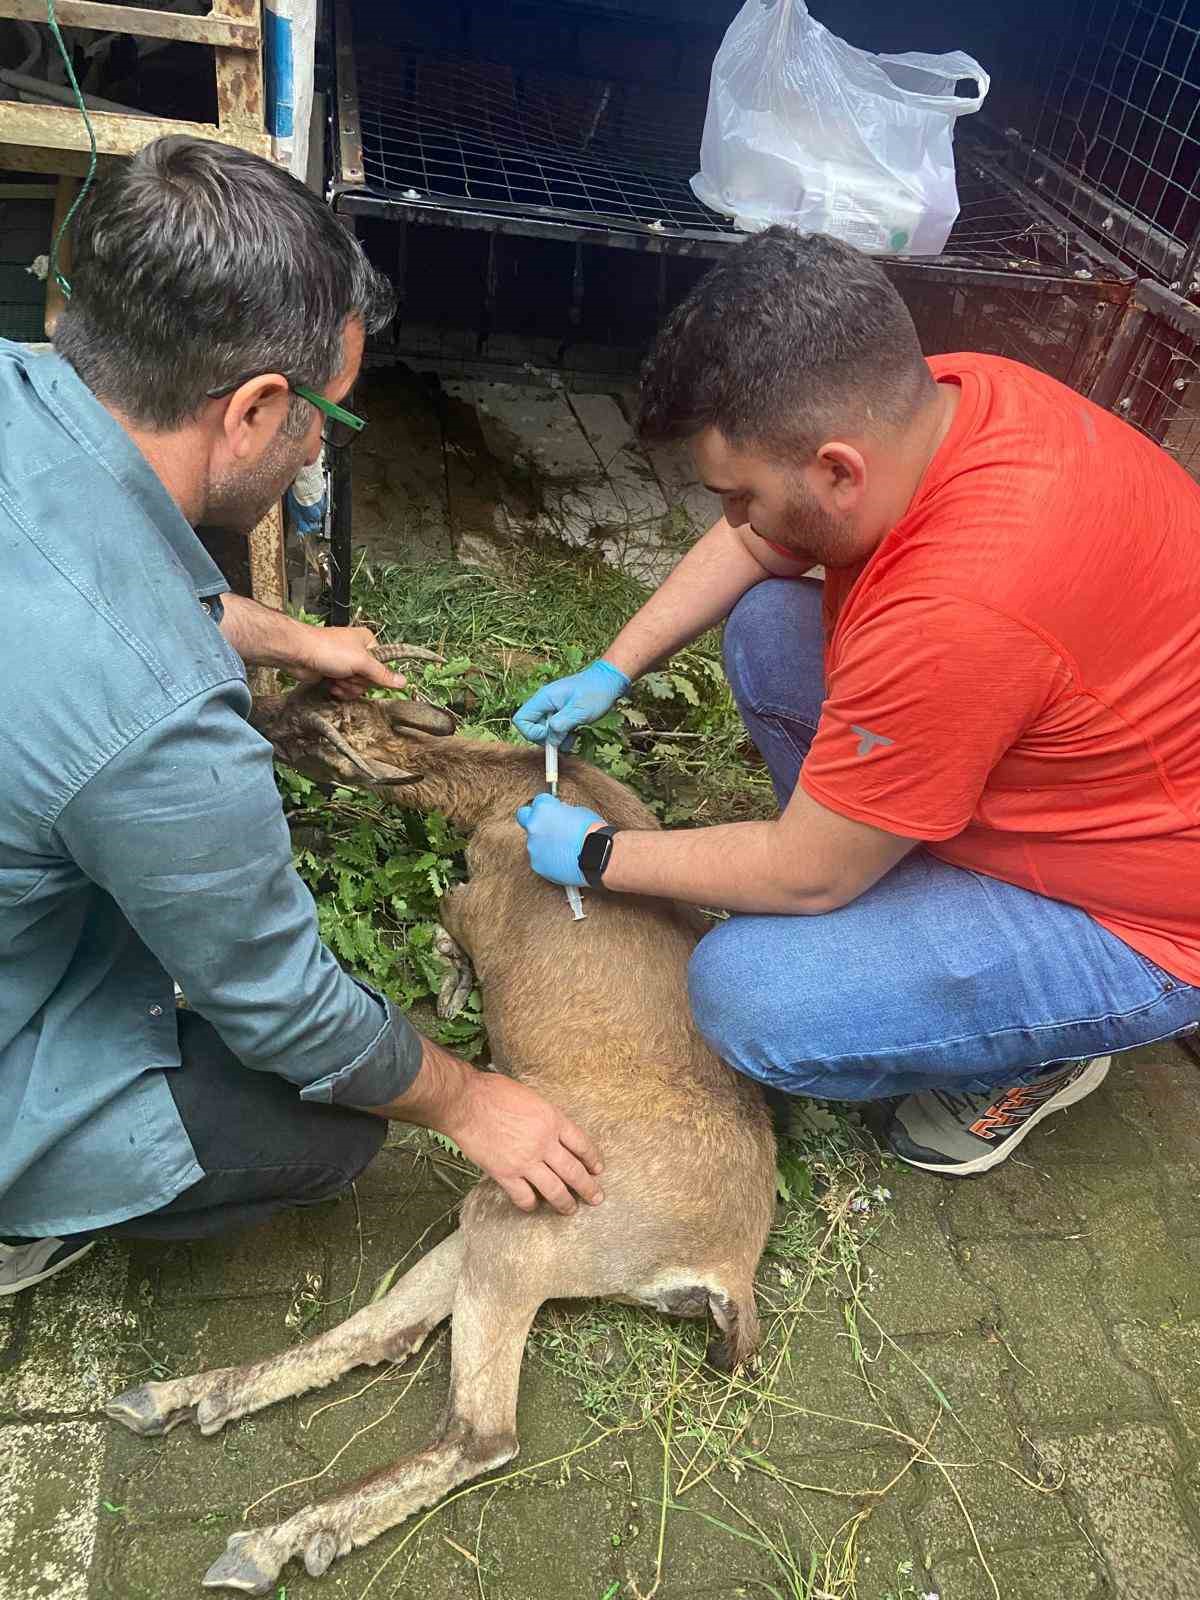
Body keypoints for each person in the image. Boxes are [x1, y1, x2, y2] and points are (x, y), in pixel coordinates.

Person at [0, 137, 602, 1299]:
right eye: (328, 415)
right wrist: (473, 1098)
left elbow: (83, 574)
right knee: (328, 1131)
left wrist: (290, 636)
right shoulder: (165, 721)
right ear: (257, 408)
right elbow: (285, 1008)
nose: (320, 440)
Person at [514, 227, 1200, 1179]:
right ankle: (892, 847)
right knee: (766, 626)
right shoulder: (946, 398)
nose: (733, 521)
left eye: (739, 494)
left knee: (751, 996)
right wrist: (613, 666)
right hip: (1057, 758)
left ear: (838, 469)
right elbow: (765, 548)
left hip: (1139, 910)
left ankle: (1046, 1051)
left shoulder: (958, 608)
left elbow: (808, 878)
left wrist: (597, 854)